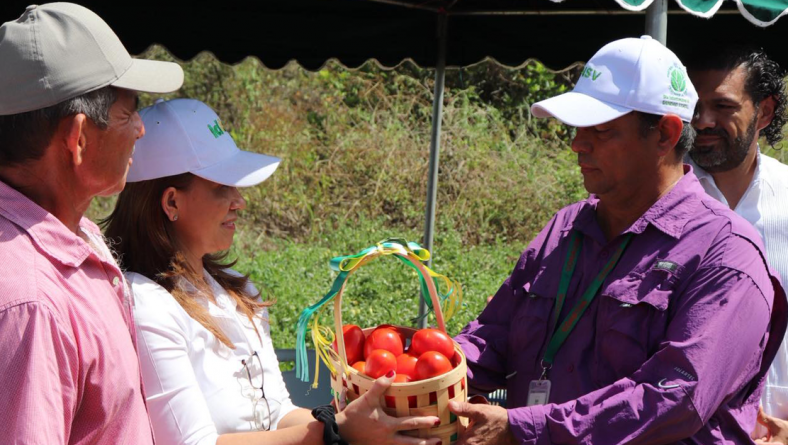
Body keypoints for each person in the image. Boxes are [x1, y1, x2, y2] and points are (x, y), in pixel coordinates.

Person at [449, 36, 787, 444]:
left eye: (602, 131)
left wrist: (526, 430)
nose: (578, 144)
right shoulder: (566, 228)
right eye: (577, 128)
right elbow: (491, 338)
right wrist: (419, 366)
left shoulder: (726, 252)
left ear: (665, 133)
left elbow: (675, 398)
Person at [102, 98, 441, 445]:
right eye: (222, 186)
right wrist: (336, 431)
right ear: (172, 201)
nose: (239, 199)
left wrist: (358, 421)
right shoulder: (147, 304)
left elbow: (277, 411)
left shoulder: (240, 295)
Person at [0, 3, 183, 444]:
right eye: (128, 112)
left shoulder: (75, 237)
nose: (140, 129)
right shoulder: (33, 302)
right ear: (78, 139)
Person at [684, 47, 788, 444]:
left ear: (764, 111)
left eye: (722, 106)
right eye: (692, 106)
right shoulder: (657, 202)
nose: (703, 121)